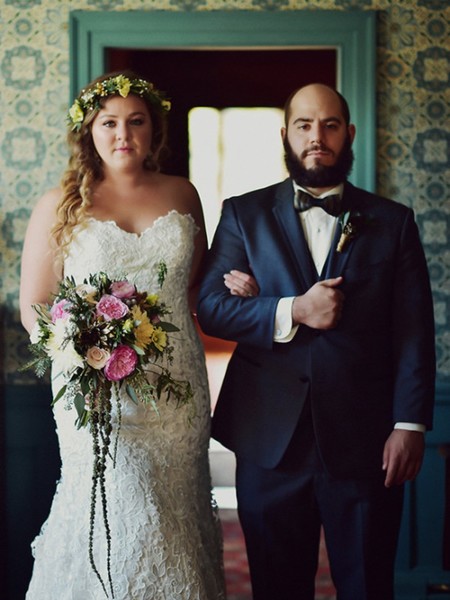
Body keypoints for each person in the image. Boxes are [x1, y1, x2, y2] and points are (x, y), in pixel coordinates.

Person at [196, 83, 436, 600]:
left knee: (368, 585)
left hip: (365, 437)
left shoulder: (393, 222)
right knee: (277, 588)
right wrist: (289, 309)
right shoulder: (244, 214)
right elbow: (211, 307)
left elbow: (414, 331)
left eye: (329, 125)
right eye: (304, 125)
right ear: (285, 134)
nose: (316, 137)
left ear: (348, 135)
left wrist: (410, 423)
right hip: (268, 440)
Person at [20, 70, 243, 600]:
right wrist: (78, 348)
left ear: (154, 130)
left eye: (136, 122)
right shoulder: (61, 203)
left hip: (178, 387)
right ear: (89, 132)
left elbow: (196, 294)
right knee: (122, 501)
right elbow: (34, 307)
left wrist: (239, 288)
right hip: (95, 389)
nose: (124, 134)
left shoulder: (183, 194)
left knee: (174, 510)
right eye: (110, 122)